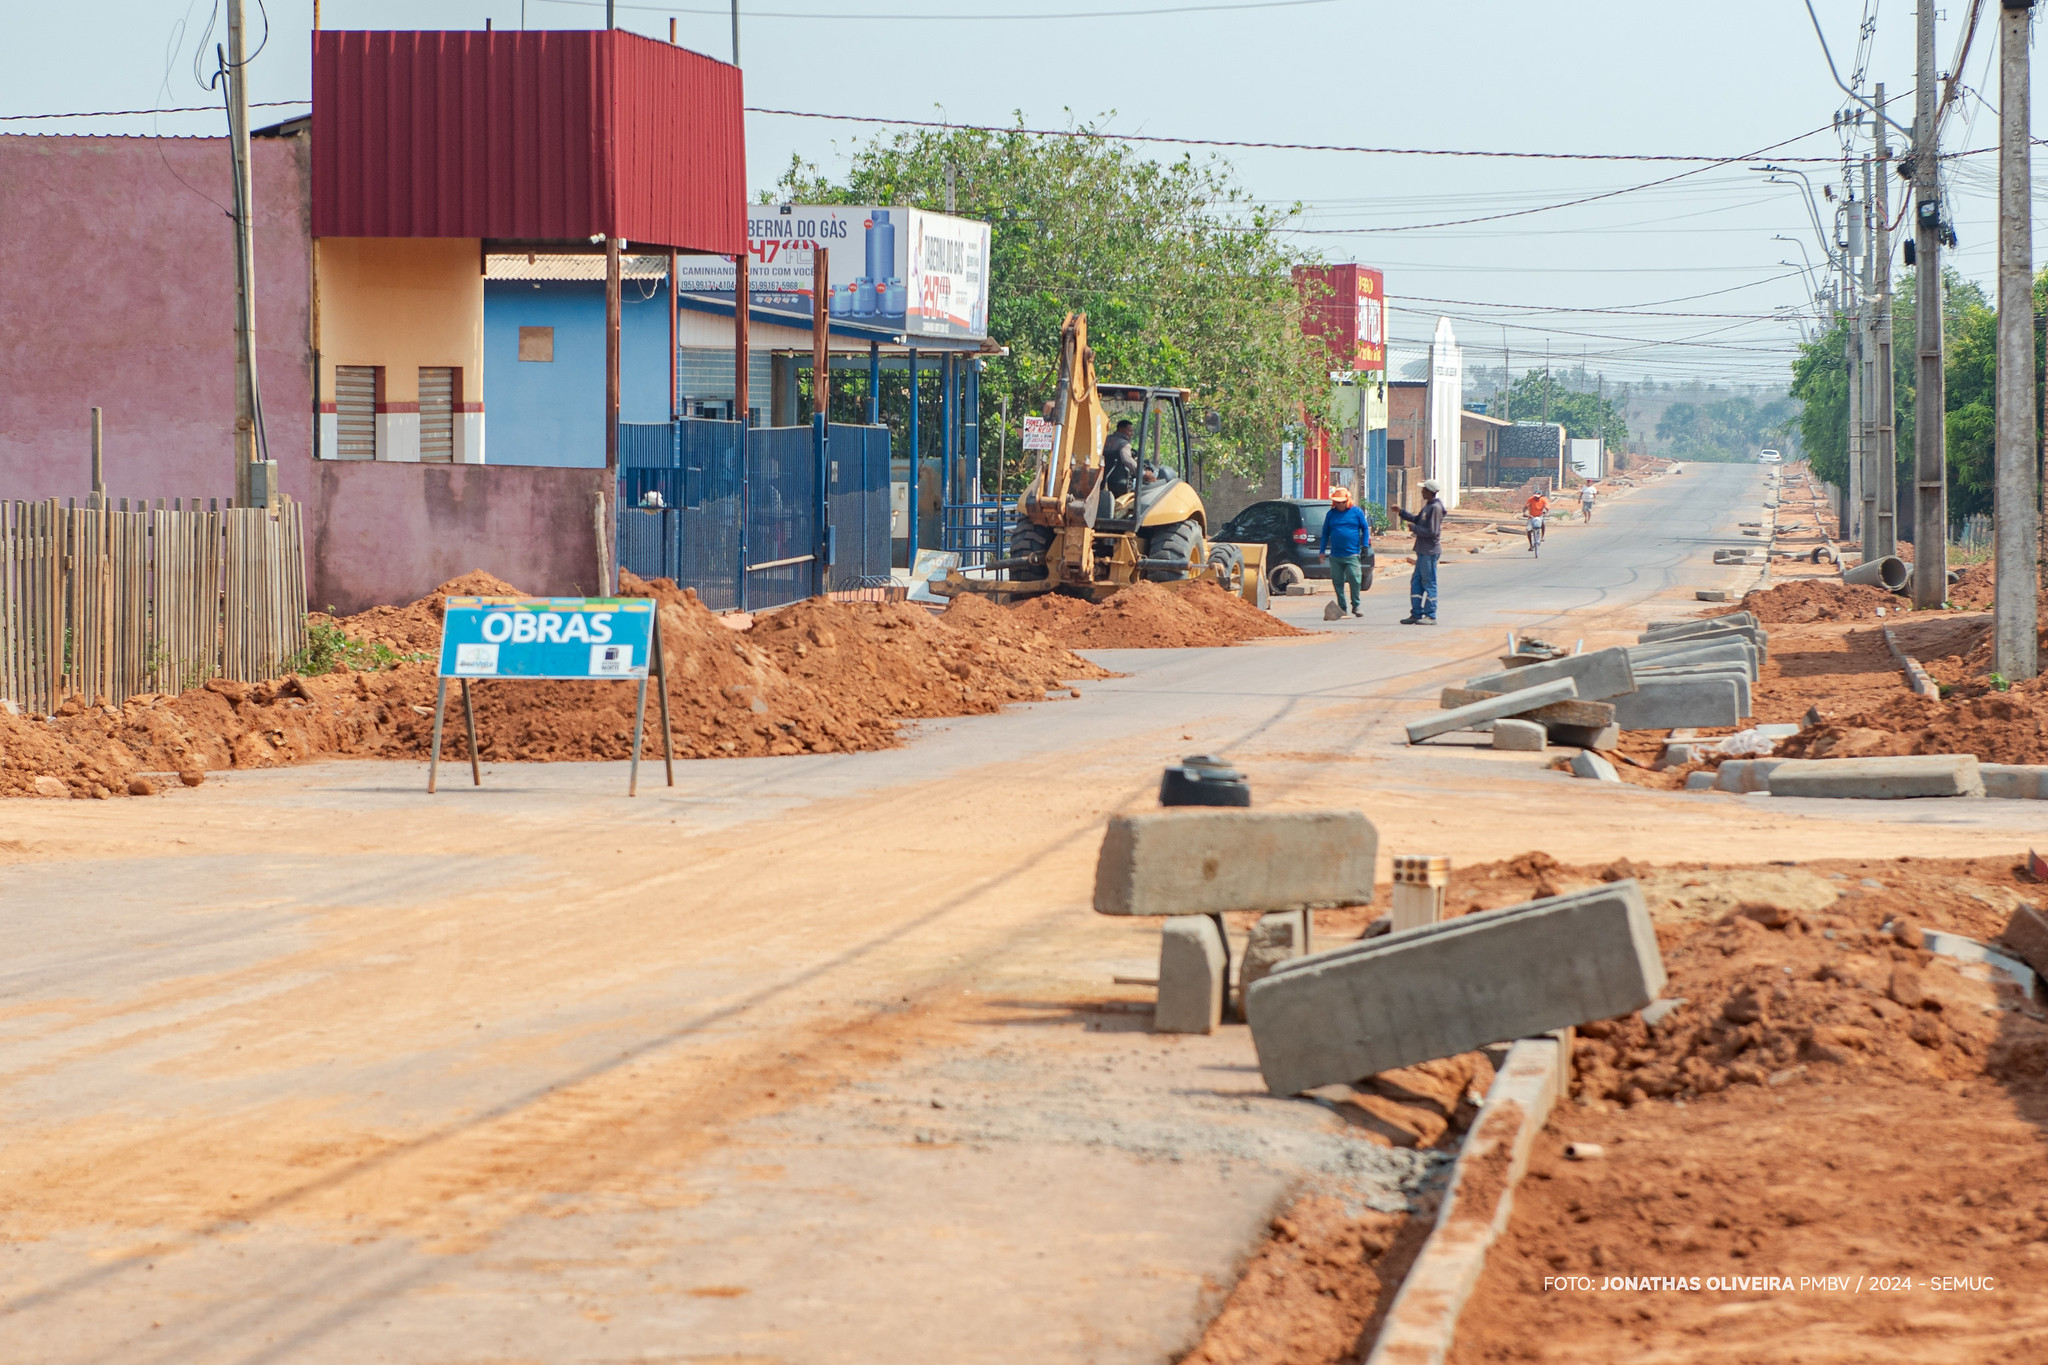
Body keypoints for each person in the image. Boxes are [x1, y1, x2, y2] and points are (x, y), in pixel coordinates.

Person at [1394, 479, 1445, 624]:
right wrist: (1401, 512)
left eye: (1424, 490)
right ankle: (1416, 614)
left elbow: (1433, 532)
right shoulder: (1428, 506)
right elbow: (1417, 519)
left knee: (1429, 582)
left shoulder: (1435, 508)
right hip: (1422, 550)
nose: (1421, 492)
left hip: (1430, 551)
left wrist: (1414, 529)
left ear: (1429, 492)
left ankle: (1430, 615)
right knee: (1416, 582)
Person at [1318, 484, 1372, 618]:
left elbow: (1365, 529)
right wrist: (1322, 551)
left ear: (1347, 500)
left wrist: (1365, 546)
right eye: (1337, 502)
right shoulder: (1331, 514)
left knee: (1355, 578)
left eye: (1342, 502)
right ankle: (1342, 607)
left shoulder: (1357, 512)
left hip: (1352, 553)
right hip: (1336, 555)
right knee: (1337, 581)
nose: (1340, 505)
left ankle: (1356, 604)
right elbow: (1325, 533)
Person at [1102, 420, 1139, 495]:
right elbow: (1127, 459)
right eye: (1130, 431)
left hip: (1102, 479)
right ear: (1121, 429)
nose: (1131, 434)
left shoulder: (1105, 440)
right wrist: (1141, 472)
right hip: (1120, 481)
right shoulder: (1124, 444)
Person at [1524, 488, 1550, 556]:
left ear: (1541, 496)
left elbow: (1547, 507)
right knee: (1528, 530)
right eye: (1535, 497)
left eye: (1538, 497)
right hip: (1531, 516)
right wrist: (1524, 513)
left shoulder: (1543, 500)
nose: (1536, 498)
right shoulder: (1530, 499)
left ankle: (1542, 536)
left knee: (1543, 523)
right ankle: (1531, 545)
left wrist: (1546, 512)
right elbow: (1525, 507)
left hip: (1540, 516)